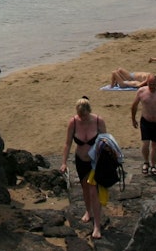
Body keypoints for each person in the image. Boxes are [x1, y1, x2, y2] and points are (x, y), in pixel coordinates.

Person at [60, 97, 107, 238]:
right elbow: (67, 143)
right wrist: (64, 162)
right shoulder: (73, 122)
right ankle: (88, 211)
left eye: (85, 115)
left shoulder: (99, 121)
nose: (83, 118)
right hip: (80, 160)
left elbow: (106, 140)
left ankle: (97, 226)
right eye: (80, 115)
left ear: (89, 111)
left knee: (94, 191)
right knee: (85, 188)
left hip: (95, 161)